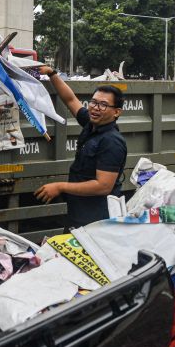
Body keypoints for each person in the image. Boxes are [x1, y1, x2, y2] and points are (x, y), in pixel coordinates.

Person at [34, 68, 128, 228]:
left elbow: (103, 186)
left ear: (116, 112)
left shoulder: (111, 142)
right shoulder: (91, 124)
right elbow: (70, 100)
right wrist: (52, 74)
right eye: (94, 102)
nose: (96, 108)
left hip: (97, 218)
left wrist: (60, 186)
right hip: (79, 211)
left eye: (103, 105)